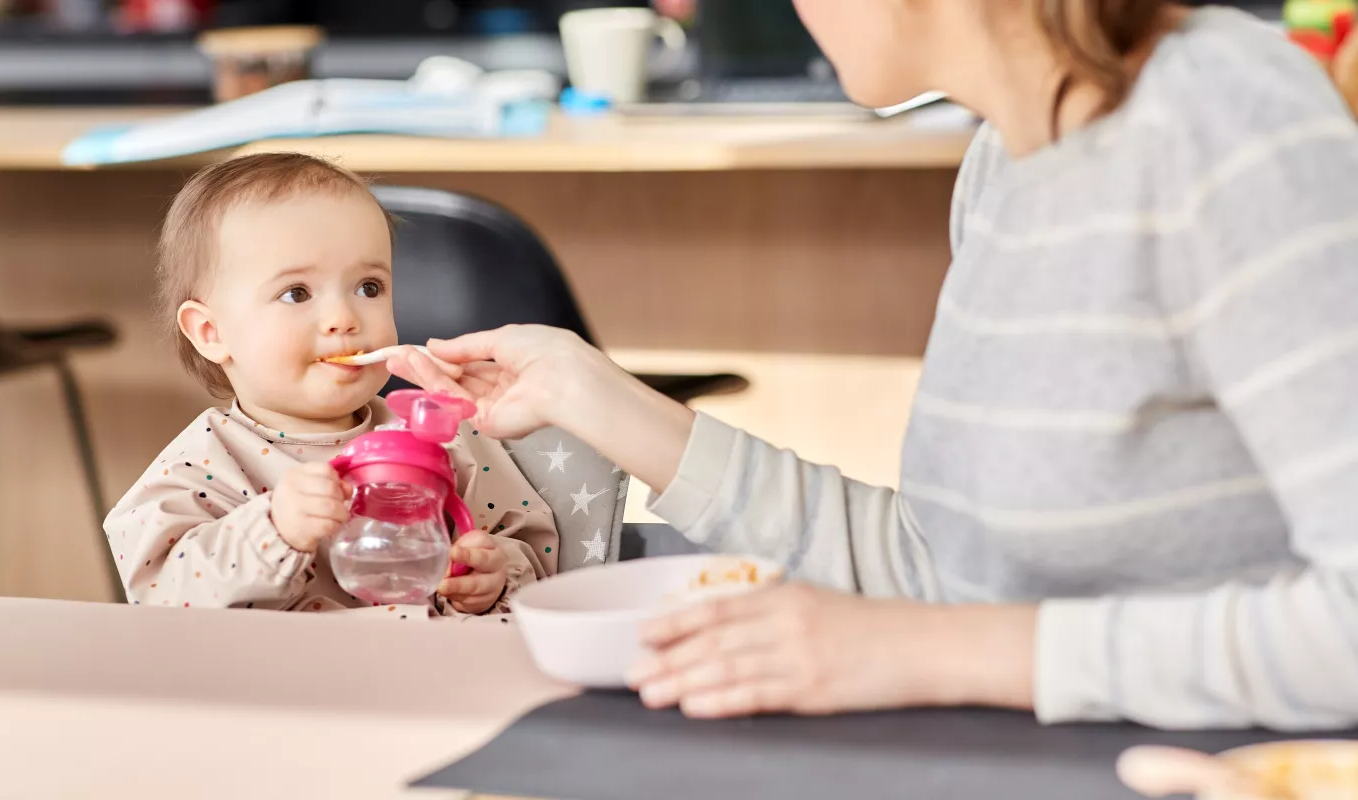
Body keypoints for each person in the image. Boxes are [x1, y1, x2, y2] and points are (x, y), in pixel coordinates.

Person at [390, 0, 1358, 730]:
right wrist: (590, 394)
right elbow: (949, 573)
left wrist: (931, 652)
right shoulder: (1006, 162)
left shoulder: (1227, 116)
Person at [105, 153, 557, 616]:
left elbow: (535, 553)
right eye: (296, 293)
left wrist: (495, 574)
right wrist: (273, 529)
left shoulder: (443, 435)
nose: (344, 319)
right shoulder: (200, 469)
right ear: (211, 333)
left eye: (369, 287)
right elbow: (160, 597)